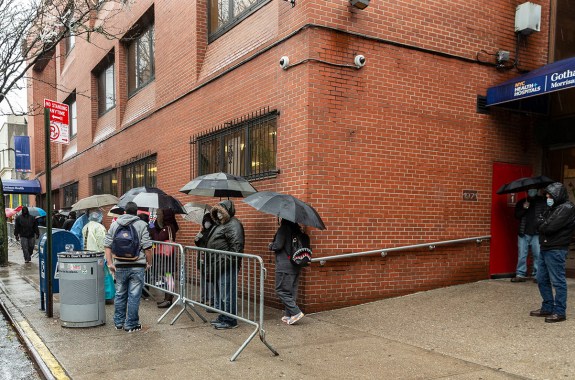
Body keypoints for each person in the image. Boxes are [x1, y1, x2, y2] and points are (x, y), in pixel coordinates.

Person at [530, 182, 575, 323]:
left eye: (550, 195)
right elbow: (537, 222)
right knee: (541, 279)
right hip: (546, 247)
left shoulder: (566, 208)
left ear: (557, 195)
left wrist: (543, 223)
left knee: (557, 281)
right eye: (547, 195)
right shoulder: (552, 208)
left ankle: (560, 312)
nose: (547, 197)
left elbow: (548, 227)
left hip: (556, 249)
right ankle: (547, 307)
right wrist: (543, 223)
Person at [104, 201, 153, 332]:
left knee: (120, 294)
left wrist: (110, 263)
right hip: (137, 265)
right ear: (137, 212)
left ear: (125, 212)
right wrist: (149, 263)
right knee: (134, 295)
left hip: (120, 264)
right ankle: (131, 324)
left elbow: (107, 245)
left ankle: (118, 323)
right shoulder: (142, 224)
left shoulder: (114, 224)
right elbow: (147, 247)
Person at [207, 200, 244, 330]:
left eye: (221, 212)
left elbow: (236, 247)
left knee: (227, 293)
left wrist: (224, 261)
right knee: (222, 294)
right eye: (217, 213)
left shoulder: (233, 224)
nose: (219, 215)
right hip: (219, 264)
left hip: (227, 265)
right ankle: (223, 316)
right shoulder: (221, 225)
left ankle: (230, 320)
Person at [269, 218, 305, 325]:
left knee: (281, 291)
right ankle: (289, 315)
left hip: (284, 265)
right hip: (296, 265)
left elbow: (278, 245)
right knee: (291, 291)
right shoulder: (297, 230)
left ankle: (296, 312)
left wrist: (271, 245)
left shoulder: (283, 229)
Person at [511, 188, 546, 282]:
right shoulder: (522, 202)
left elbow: (546, 215)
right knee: (522, 255)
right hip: (523, 233)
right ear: (527, 191)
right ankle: (520, 274)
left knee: (537, 254)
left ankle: (537, 275)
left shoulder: (542, 201)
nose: (532, 191)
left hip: (537, 233)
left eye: (534, 189)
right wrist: (524, 208)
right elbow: (517, 216)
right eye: (530, 190)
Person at [150, 208, 179, 308]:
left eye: (159, 214)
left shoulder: (168, 228)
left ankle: (169, 300)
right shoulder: (168, 226)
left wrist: (152, 227)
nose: (158, 216)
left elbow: (158, 238)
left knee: (168, 276)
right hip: (165, 257)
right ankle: (167, 298)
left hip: (168, 258)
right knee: (166, 277)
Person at [82, 210, 114, 303]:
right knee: (103, 277)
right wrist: (106, 256)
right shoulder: (99, 227)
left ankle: (92, 295)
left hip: (87, 256)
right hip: (98, 256)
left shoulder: (85, 226)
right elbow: (103, 243)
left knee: (91, 277)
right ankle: (105, 296)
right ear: (99, 217)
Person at [195, 212, 215, 309]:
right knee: (203, 278)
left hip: (209, 259)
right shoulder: (202, 231)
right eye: (205, 221)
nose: (206, 223)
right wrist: (198, 235)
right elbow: (197, 243)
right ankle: (203, 297)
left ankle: (211, 298)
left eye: (208, 221)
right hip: (202, 258)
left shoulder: (213, 231)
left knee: (209, 279)